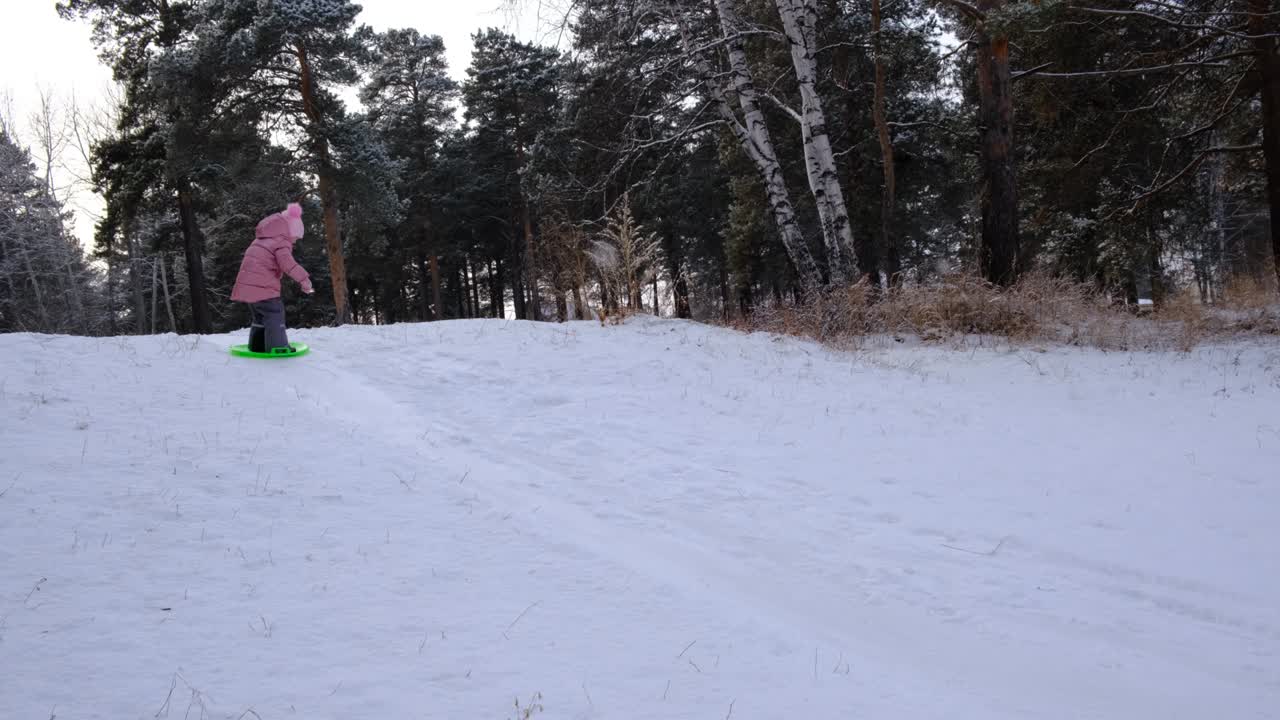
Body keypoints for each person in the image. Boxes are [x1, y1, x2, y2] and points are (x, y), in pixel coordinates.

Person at [231, 202, 314, 352]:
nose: (294, 241)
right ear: (289, 231)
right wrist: (304, 279)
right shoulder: (280, 243)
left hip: (249, 287)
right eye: (295, 237)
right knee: (274, 314)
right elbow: (288, 264)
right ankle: (278, 346)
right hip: (264, 287)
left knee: (260, 318)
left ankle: (257, 346)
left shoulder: (261, 239)